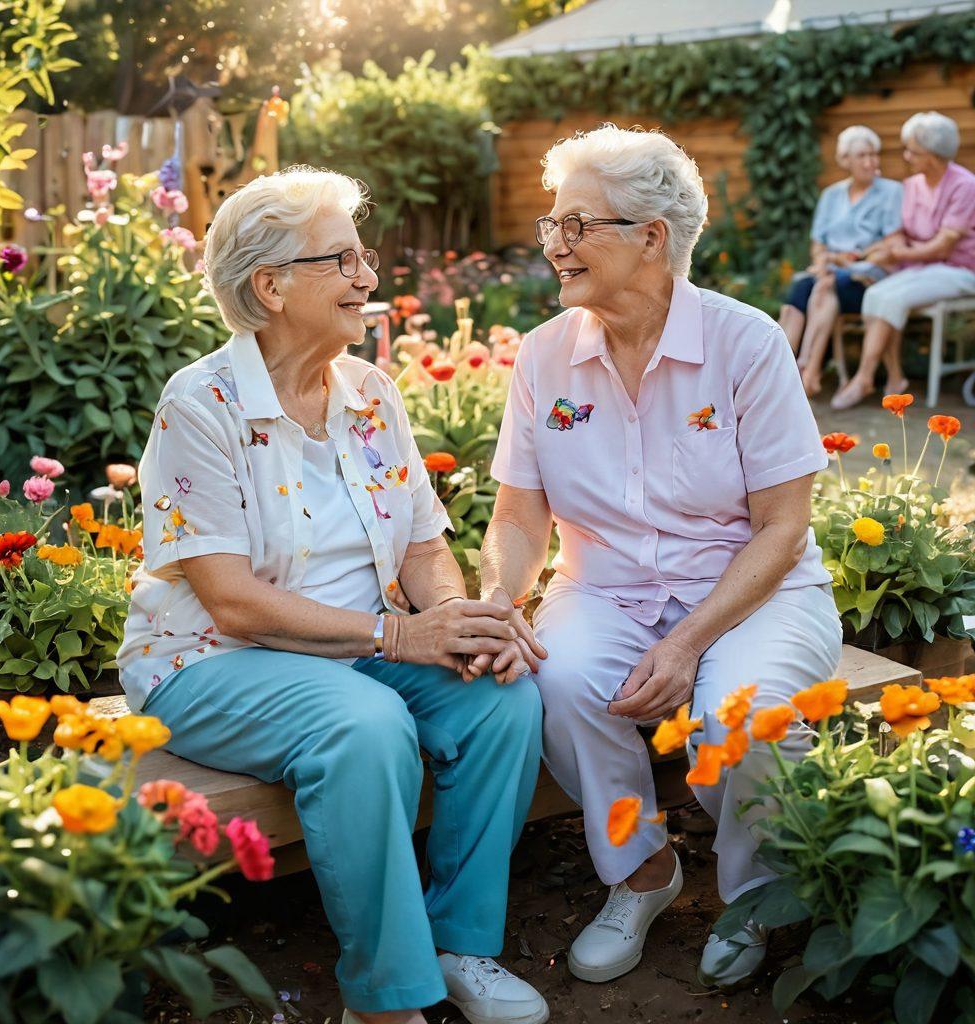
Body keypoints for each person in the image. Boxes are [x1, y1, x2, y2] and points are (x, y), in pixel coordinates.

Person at [117, 166, 549, 1024]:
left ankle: (459, 946)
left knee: (503, 697)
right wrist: (398, 637)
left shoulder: (370, 393)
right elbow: (233, 603)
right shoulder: (200, 405)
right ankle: (382, 999)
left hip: (356, 649)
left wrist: (457, 622)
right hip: (213, 661)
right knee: (364, 726)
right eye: (343, 261)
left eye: (365, 256)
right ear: (270, 286)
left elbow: (425, 545)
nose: (368, 276)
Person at [476, 125, 842, 988]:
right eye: (551, 226)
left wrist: (686, 644)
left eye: (578, 226)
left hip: (751, 588)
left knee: (739, 716)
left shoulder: (744, 343)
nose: (556, 246)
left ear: (652, 237)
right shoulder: (544, 356)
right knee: (560, 682)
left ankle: (753, 894)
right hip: (603, 587)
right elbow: (519, 513)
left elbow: (783, 526)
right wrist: (500, 594)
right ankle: (641, 873)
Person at [831, 111, 975, 409]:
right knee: (875, 294)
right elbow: (898, 232)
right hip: (920, 268)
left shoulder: (965, 186)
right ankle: (894, 379)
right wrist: (877, 250)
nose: (906, 156)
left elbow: (942, 248)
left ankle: (865, 377)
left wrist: (896, 253)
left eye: (912, 150)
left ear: (932, 156)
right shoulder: (912, 186)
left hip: (958, 271)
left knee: (892, 299)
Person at [778, 125, 902, 396]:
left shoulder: (892, 192)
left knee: (825, 285)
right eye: (862, 156)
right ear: (845, 160)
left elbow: (893, 241)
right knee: (800, 288)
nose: (870, 162)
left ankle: (808, 370)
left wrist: (855, 256)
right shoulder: (831, 195)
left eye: (874, 155)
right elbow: (818, 242)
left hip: (866, 275)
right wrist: (822, 260)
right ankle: (778, 369)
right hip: (831, 271)